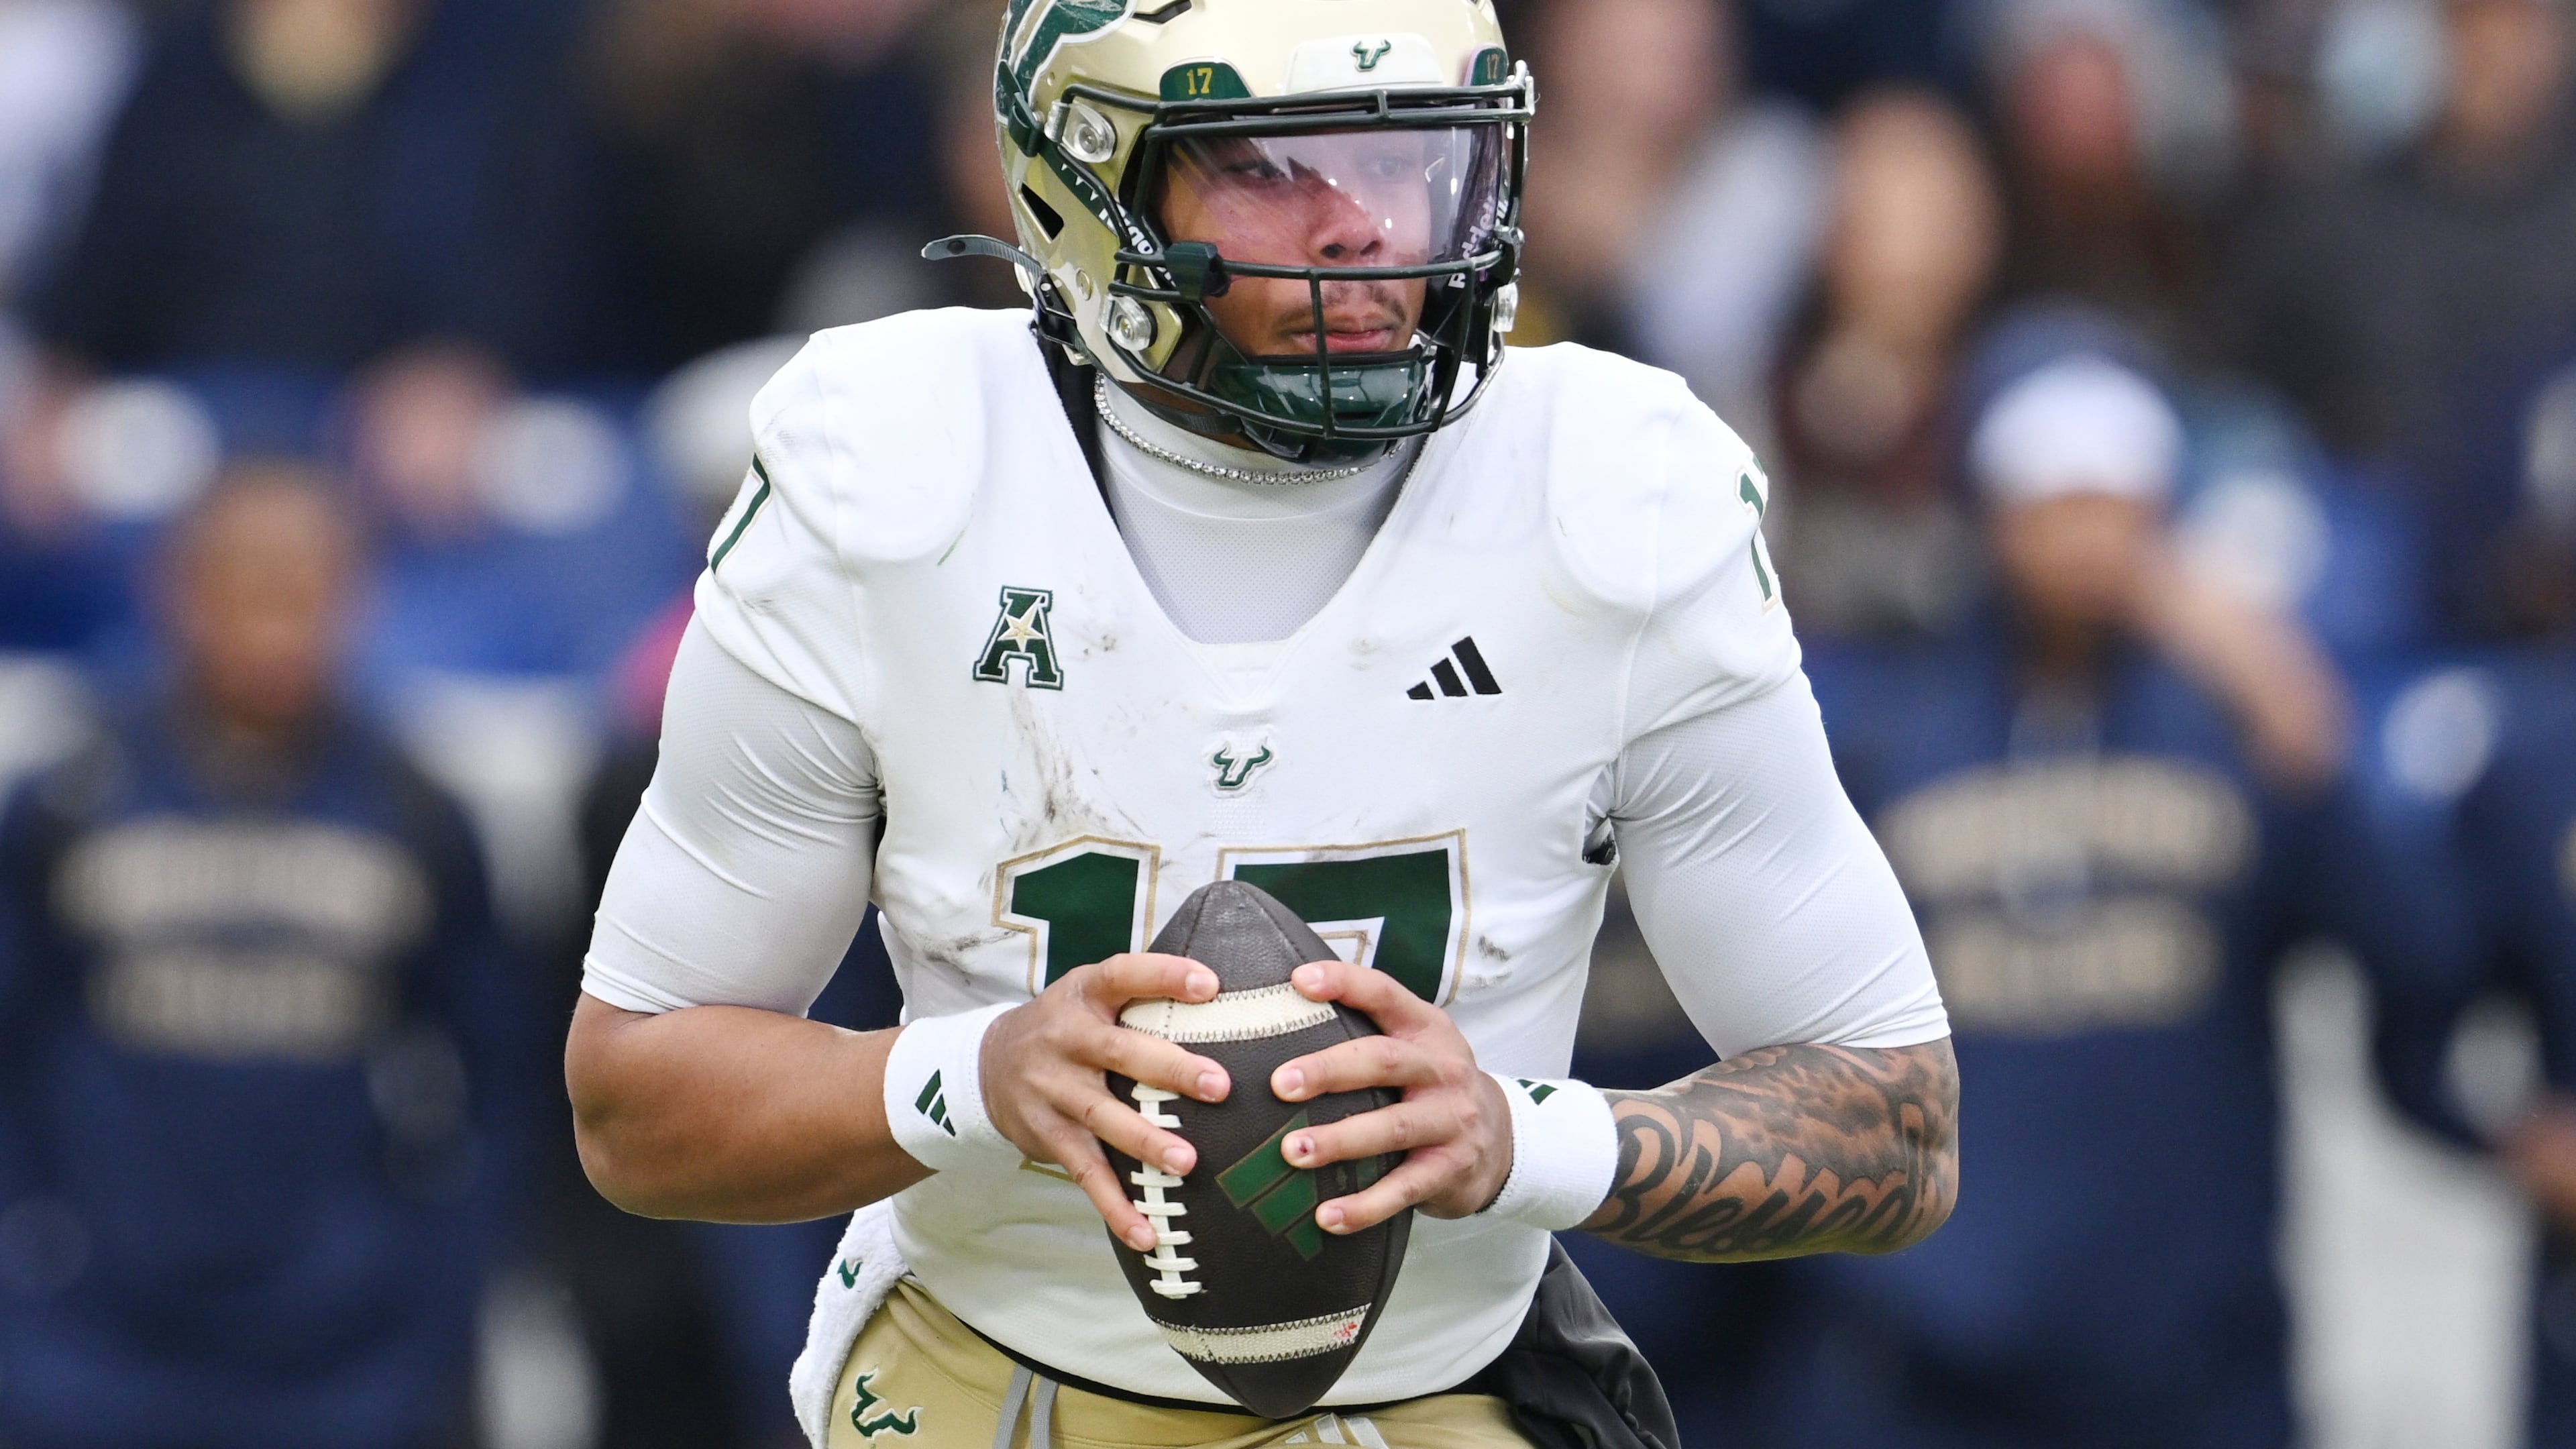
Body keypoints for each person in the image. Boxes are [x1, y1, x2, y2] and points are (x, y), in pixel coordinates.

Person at [564, 5, 1958, 1448]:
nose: (1365, 225)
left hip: (1444, 1390)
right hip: (992, 1379)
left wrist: (1525, 1136)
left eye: (1412, 159)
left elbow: (1900, 1120)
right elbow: (633, 1102)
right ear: (1085, 183)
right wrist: (970, 1078)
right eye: (1272, 167)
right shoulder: (896, 464)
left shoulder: (1618, 487)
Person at [1751, 339, 2365, 1447]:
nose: (2084, 539)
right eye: (2052, 504)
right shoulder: (1890, 732)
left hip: (2194, 1352)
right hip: (1933, 1353)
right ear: (1990, 513)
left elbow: (2396, 933)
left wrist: (2283, 696)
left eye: (2113, 505)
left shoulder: (2233, 725)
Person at [0, 465, 520, 1448]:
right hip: (90, 1345)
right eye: (248, 582)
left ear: (357, 597)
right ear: (178, 590)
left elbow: (500, 1081)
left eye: (307, 585)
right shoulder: (67, 800)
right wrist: (30, 1265)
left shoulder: (418, 812)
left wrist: (433, 1286)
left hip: (346, 1357)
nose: (277, 621)